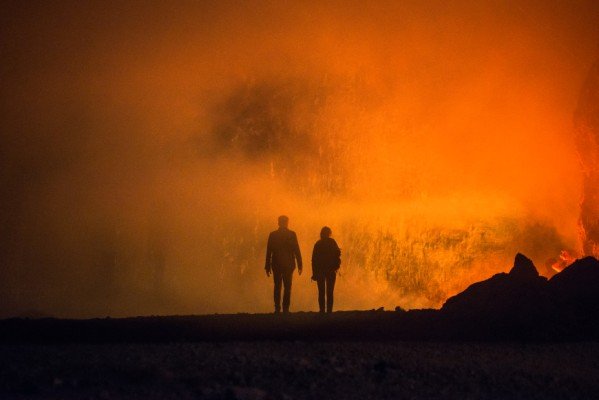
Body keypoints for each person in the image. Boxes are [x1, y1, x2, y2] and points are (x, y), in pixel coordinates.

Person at [265, 215, 303, 313]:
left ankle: (277, 309)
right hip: (288, 265)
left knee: (277, 286)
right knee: (287, 287)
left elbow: (269, 251)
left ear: (278, 223)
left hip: (276, 264)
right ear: (287, 223)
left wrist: (267, 266)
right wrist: (300, 264)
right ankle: (285, 309)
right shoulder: (292, 234)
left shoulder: (273, 235)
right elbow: (296, 250)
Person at [311, 226, 341, 313]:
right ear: (329, 233)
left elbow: (314, 260)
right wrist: (336, 265)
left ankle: (322, 311)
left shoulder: (318, 244)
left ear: (321, 234)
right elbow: (338, 253)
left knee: (321, 292)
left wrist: (314, 273)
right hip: (331, 270)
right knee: (330, 292)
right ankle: (329, 311)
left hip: (320, 271)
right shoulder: (332, 242)